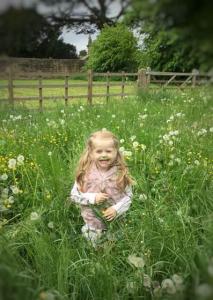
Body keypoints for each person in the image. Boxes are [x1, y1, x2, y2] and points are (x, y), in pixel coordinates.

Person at [70, 129, 133, 246]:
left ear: (116, 152)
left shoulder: (121, 172)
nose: (104, 155)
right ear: (91, 153)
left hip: (116, 223)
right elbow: (74, 196)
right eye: (99, 151)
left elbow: (129, 196)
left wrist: (116, 209)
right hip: (93, 224)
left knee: (116, 247)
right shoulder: (85, 173)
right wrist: (92, 198)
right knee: (95, 249)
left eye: (108, 151)